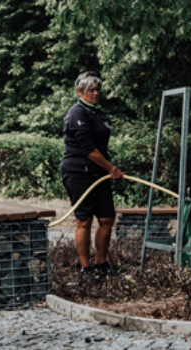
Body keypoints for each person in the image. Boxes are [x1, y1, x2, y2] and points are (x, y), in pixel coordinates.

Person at [61, 72, 125, 283]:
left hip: (99, 173)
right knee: (84, 219)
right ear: (80, 92)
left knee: (107, 218)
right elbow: (89, 149)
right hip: (79, 172)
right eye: (91, 90)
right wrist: (112, 169)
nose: (96, 93)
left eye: (98, 90)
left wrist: (108, 169)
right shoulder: (76, 113)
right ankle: (85, 268)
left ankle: (101, 265)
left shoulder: (98, 114)